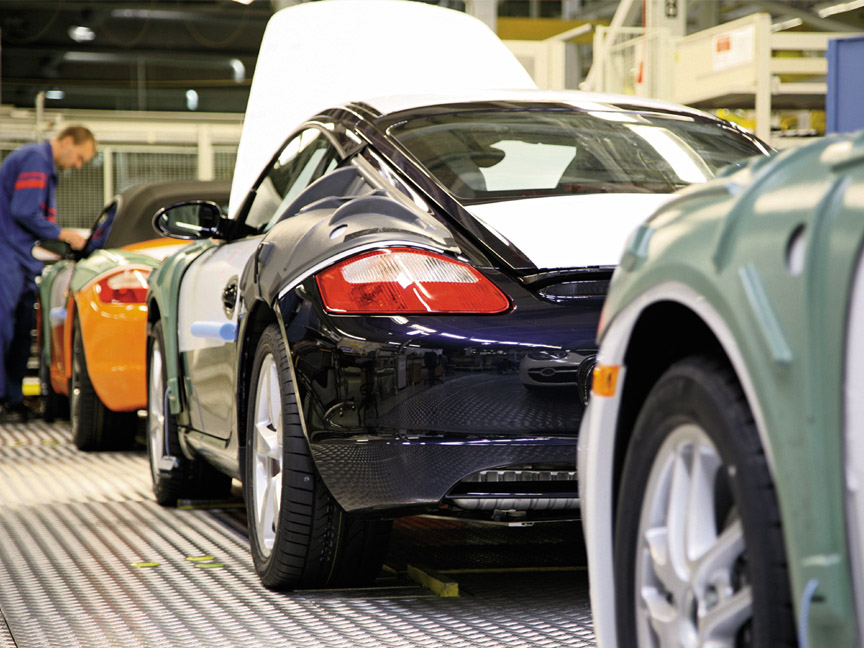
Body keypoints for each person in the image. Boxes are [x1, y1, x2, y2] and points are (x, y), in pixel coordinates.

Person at [0, 125, 96, 422]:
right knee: (3, 328)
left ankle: (13, 400)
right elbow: (25, 211)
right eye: (79, 157)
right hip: (6, 253)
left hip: (22, 256)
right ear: (68, 142)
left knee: (19, 329)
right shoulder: (36, 160)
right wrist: (62, 234)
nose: (77, 165)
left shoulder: (45, 168)